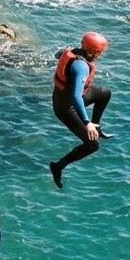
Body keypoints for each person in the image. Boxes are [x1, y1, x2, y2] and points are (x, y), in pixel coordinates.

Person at [49, 32, 113, 190]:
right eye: (99, 52)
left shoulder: (73, 52)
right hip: (66, 108)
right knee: (92, 145)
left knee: (105, 93)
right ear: (91, 51)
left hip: (63, 97)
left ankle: (97, 125)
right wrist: (86, 122)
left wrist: (93, 123)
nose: (100, 55)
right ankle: (58, 166)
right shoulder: (81, 66)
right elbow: (76, 96)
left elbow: (58, 55)